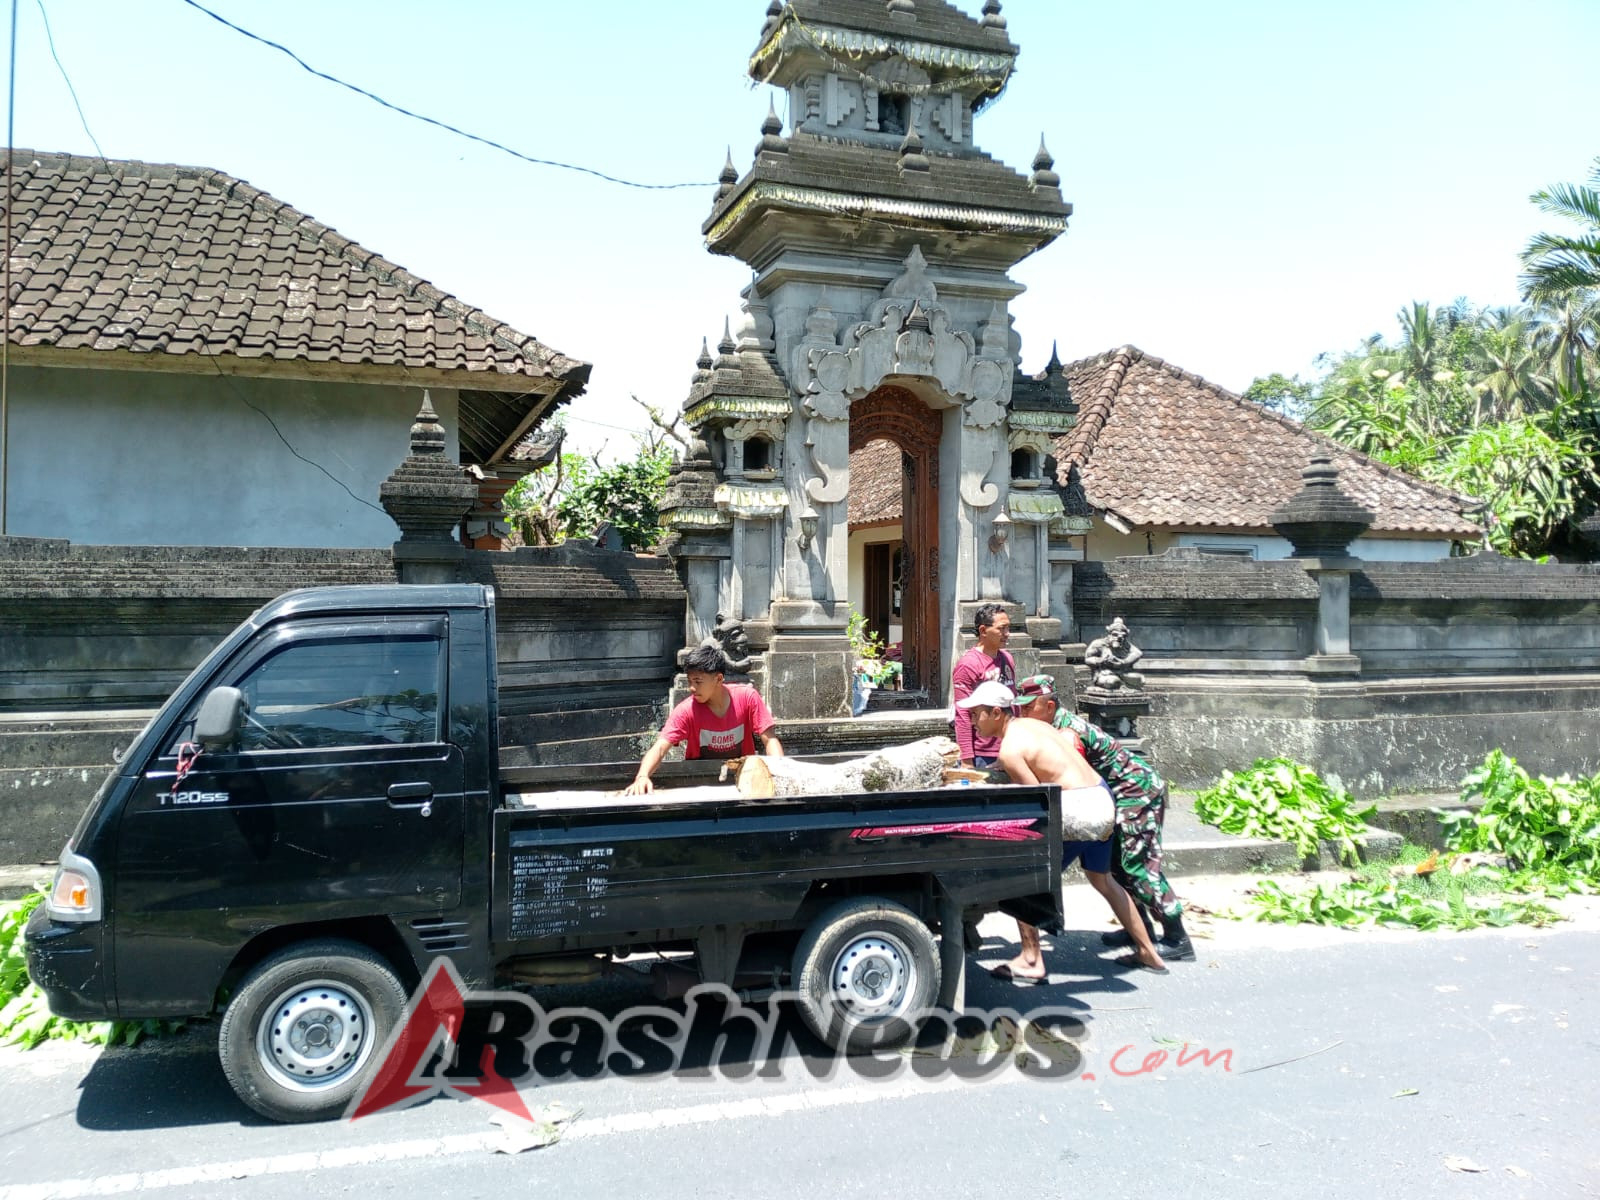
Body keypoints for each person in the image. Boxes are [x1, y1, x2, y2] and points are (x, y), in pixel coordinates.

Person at [956, 681, 1168, 978]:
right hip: (1101, 797)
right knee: (1103, 879)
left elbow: (1037, 802)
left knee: (1021, 878)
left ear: (995, 713)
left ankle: (1031, 960)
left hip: (1078, 809)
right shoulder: (1032, 725)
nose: (972, 722)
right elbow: (1051, 763)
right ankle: (1149, 952)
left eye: (976, 714)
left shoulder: (1009, 750)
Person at [1014, 674, 1194, 962]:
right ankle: (1139, 928)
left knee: (1138, 866)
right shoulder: (1050, 728)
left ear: (1048, 706)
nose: (1022, 714)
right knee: (1115, 866)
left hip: (1136, 793)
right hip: (1114, 796)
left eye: (1028, 707)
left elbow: (1071, 781)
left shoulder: (1067, 733)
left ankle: (1177, 937)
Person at [623, 645, 784, 795]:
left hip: (745, 780)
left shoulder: (747, 698)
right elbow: (660, 747)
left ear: (719, 679)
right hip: (699, 784)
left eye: (698, 682)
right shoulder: (686, 710)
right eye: (690, 681)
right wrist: (642, 776)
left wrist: (782, 774)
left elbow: (769, 740)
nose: (691, 688)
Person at [950, 603, 1016, 769]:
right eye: (1001, 629)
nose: (1007, 634)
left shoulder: (1007, 658)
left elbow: (1014, 705)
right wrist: (967, 759)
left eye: (1008, 628)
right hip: (983, 752)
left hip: (1009, 746)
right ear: (983, 631)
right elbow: (962, 714)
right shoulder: (968, 665)